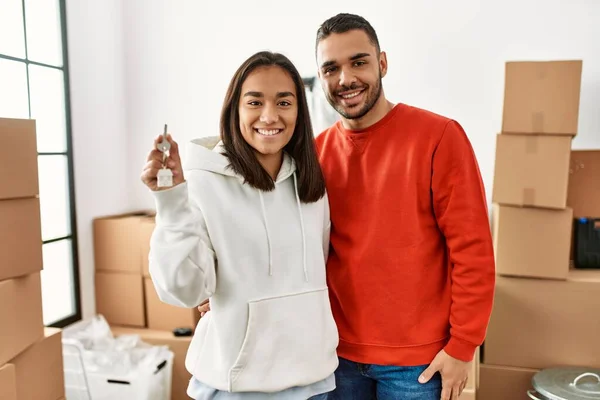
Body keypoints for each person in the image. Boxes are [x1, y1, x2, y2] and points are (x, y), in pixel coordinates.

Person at [312, 13, 496, 400]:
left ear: (382, 63)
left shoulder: (439, 136)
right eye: (331, 68)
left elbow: (473, 250)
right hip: (334, 356)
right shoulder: (315, 153)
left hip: (418, 364)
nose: (345, 79)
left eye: (358, 62)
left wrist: (463, 347)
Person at [141, 51, 338, 400]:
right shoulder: (202, 181)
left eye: (284, 102)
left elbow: (317, 267)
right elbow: (182, 290)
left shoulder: (311, 183)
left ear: (299, 112)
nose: (269, 116)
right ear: (235, 109)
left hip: (314, 382)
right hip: (238, 386)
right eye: (255, 101)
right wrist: (170, 201)